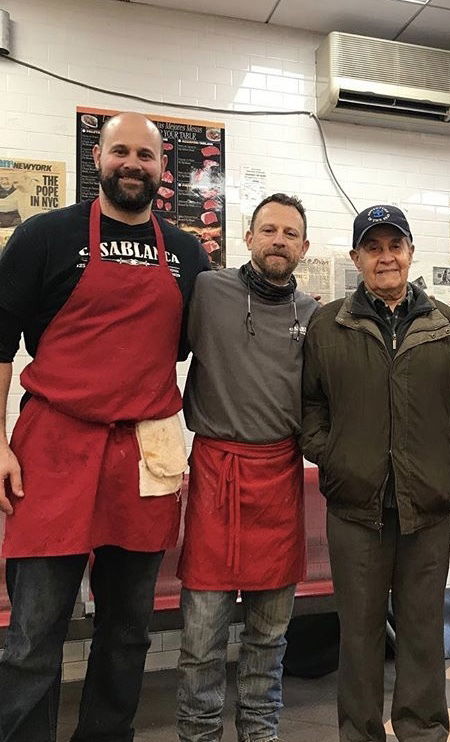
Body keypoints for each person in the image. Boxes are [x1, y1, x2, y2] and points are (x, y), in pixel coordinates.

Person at [0, 111, 209, 742]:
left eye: (145, 156)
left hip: (145, 452)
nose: (132, 165)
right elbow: (0, 345)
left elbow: (208, 346)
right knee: (34, 634)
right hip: (55, 445)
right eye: (120, 152)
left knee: (127, 631)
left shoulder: (186, 251)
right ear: (99, 159)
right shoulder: (46, 235)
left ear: (162, 169)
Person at [301, 204, 450, 742]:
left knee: (421, 633)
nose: (385, 257)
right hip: (354, 508)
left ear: (410, 252)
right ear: (357, 257)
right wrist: (334, 456)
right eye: (373, 247)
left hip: (426, 508)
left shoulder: (449, 328)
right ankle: (359, 734)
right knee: (358, 636)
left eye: (395, 245)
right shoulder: (329, 324)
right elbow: (308, 407)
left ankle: (423, 731)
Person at [176, 193, 318, 742]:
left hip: (279, 476)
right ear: (249, 237)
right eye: (269, 230)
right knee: (203, 632)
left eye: (289, 233)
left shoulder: (313, 313)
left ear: (303, 247)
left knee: (269, 632)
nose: (278, 240)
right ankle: (198, 733)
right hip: (216, 473)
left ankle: (260, 732)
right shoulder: (208, 290)